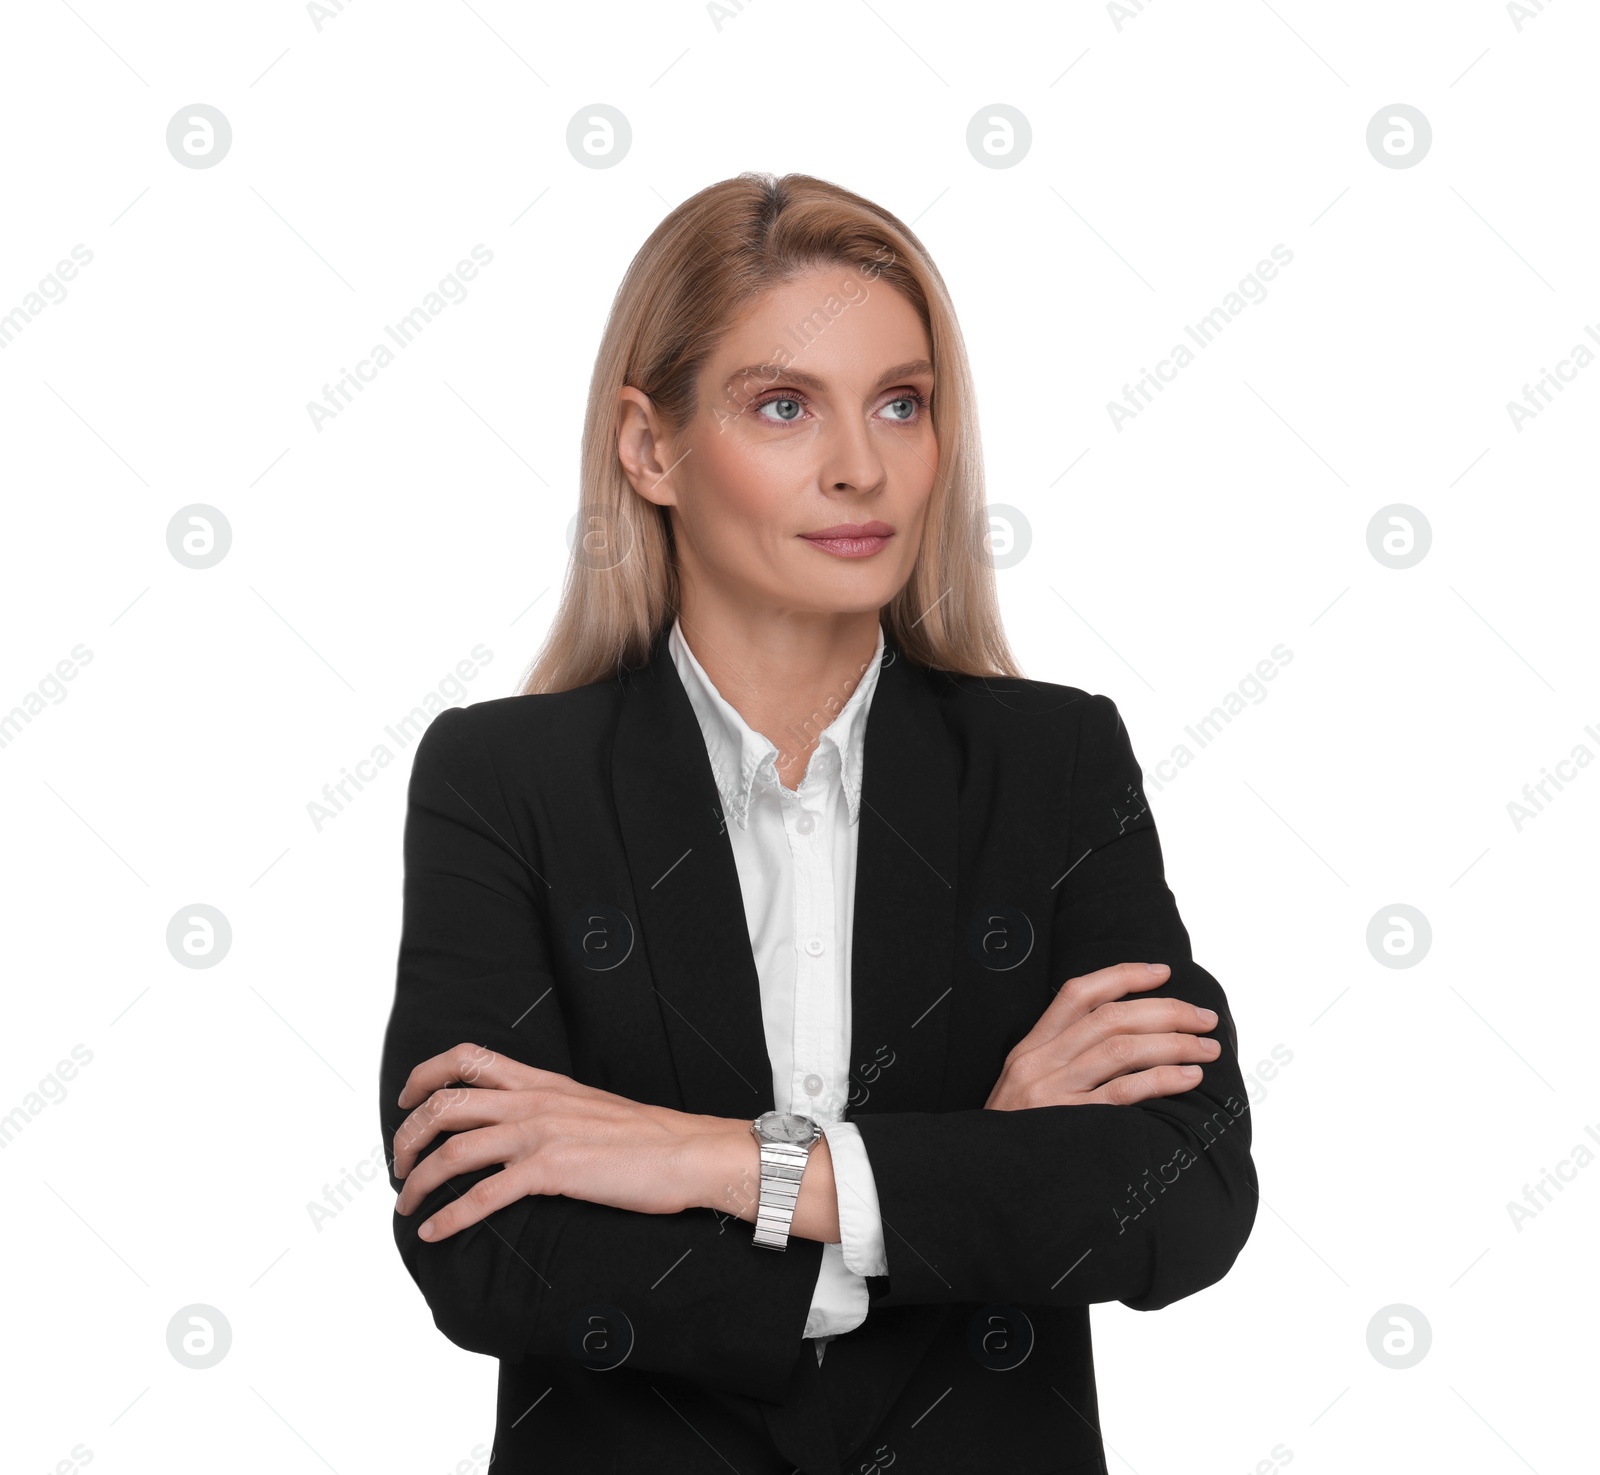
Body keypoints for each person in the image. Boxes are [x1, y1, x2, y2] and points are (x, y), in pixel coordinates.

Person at [379, 171, 1257, 1475]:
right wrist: (977, 1168)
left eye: (902, 403)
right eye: (784, 406)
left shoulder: (1054, 762)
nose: (862, 466)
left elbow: (1180, 1196)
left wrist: (706, 1162)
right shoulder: (505, 779)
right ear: (649, 445)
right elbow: (489, 1242)